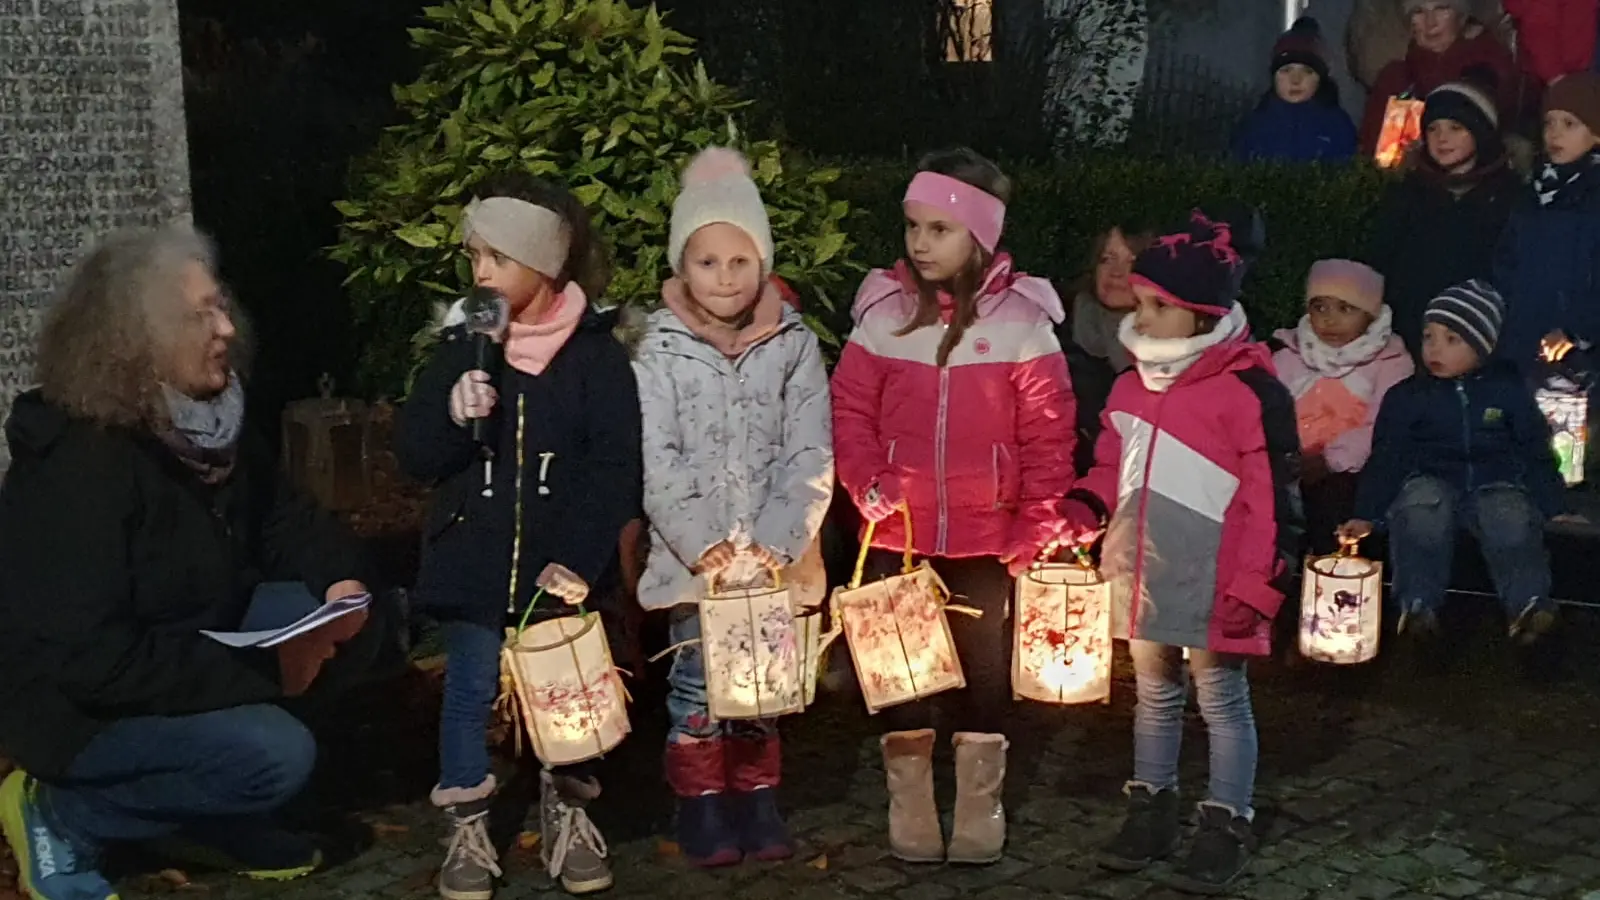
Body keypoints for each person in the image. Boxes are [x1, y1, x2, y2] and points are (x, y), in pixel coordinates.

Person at [0, 224, 386, 900]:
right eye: (199, 314)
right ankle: (64, 815)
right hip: (77, 709)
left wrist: (341, 585)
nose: (227, 328)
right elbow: (93, 660)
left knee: (344, 628)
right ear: (134, 342)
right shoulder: (80, 469)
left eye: (220, 303)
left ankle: (204, 816)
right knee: (273, 755)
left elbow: (283, 517)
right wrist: (265, 670)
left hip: (184, 642)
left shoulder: (207, 421)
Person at [394, 173, 642, 899]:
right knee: (468, 691)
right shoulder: (462, 345)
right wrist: (449, 409)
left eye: (496, 259)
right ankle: (467, 819)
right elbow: (416, 455)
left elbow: (614, 466)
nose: (481, 274)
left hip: (556, 566)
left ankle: (568, 807)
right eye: (474, 258)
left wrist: (581, 557)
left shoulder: (595, 354)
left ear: (544, 264)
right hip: (474, 557)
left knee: (568, 692)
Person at [831, 147, 1078, 866]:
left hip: (986, 534)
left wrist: (1038, 514)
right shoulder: (882, 313)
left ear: (980, 236)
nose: (919, 243)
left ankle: (979, 801)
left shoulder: (1025, 323)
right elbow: (850, 407)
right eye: (913, 226)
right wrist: (866, 480)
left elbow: (1049, 426)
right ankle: (909, 799)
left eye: (939, 229)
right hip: (897, 531)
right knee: (898, 671)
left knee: (981, 675)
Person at [1065, 209, 1301, 895]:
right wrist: (1087, 504)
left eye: (1157, 306)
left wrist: (1257, 584)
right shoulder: (1132, 385)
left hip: (1217, 575)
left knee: (1222, 698)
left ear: (1201, 315)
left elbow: (1271, 500)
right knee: (1153, 696)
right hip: (1143, 569)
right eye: (1140, 302)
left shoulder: (1245, 394)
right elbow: (1114, 462)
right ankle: (1152, 806)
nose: (1142, 315)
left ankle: (1227, 817)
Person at [633, 147, 834, 867]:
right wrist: (698, 541)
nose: (725, 277)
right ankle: (702, 805)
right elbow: (658, 458)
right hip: (701, 565)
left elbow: (809, 452)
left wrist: (781, 540)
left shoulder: (793, 347)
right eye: (708, 261)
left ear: (763, 264)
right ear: (683, 267)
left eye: (740, 261)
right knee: (697, 688)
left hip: (771, 563)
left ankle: (757, 795)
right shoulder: (655, 351)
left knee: (763, 688)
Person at [1340, 281, 1566, 649]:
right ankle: (1418, 607)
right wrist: (1366, 512)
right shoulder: (1409, 396)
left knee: (1510, 519)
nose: (1434, 348)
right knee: (1418, 513)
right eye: (1429, 336)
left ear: (1482, 346)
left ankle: (1528, 605)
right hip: (1430, 478)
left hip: (1496, 480)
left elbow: (1533, 449)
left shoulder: (1507, 390)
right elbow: (1388, 455)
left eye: (1451, 339)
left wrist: (1554, 504)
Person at [1364, 78, 1520, 356]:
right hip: (1409, 337)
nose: (1441, 138)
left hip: (1482, 339)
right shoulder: (1409, 192)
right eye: (1433, 128)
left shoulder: (1510, 197)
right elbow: (1380, 259)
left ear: (1480, 132)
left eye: (1455, 128)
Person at [1270, 260, 1414, 557]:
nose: (1330, 320)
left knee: (1333, 504)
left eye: (1345, 309)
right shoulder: (1287, 358)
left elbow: (1381, 425)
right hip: (1287, 466)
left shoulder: (1390, 363)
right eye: (1319, 307)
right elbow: (1268, 414)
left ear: (1370, 315)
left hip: (1349, 472)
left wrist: (1329, 460)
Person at [1495, 72, 1600, 372]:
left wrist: (1578, 331)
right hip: (1522, 343)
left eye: (1569, 124)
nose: (1555, 134)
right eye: (1549, 123)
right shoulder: (1532, 193)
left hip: (1580, 354)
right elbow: (1506, 262)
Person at [1358, 0, 1516, 156]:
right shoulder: (1395, 78)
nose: (1430, 22)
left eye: (1442, 8)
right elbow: (1370, 153)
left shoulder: (1491, 65)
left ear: (1460, 17)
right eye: (1418, 11)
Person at [1059, 223, 1153, 473]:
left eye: (1131, 261)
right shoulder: (1057, 333)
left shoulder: (1179, 346)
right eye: (1106, 259)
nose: (1115, 272)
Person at [1231, 18, 1359, 163]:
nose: (1296, 80)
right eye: (1285, 71)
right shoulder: (1253, 126)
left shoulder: (1338, 126)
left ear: (1320, 79)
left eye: (1307, 71)